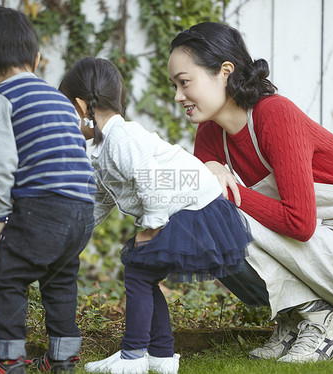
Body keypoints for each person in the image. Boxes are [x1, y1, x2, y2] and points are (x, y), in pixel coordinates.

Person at [168, 22, 333, 363]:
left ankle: (325, 319)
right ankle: (296, 318)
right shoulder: (210, 132)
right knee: (194, 213)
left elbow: (299, 222)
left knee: (213, 208)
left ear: (224, 72)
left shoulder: (273, 114)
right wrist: (206, 172)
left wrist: (226, 190)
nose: (177, 96)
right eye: (174, 85)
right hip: (318, 252)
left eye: (185, 82)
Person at [59, 57, 253, 374]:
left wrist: (152, 227)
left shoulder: (121, 138)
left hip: (195, 207)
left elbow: (149, 179)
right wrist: (76, 233)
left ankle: (133, 356)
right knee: (143, 274)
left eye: (67, 112)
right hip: (186, 206)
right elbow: (101, 198)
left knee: (138, 269)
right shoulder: (102, 146)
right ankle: (160, 356)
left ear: (82, 107)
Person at [0, 6, 96, 374]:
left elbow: (1, 163)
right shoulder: (60, 101)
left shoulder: (0, 98)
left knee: (7, 280)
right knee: (61, 284)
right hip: (82, 210)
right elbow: (74, 153)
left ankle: (7, 362)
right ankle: (63, 361)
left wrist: (1, 215)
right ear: (36, 59)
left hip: (44, 208)